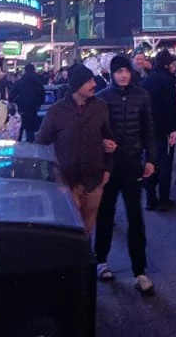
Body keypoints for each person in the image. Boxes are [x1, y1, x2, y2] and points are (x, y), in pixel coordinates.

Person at [95, 55, 157, 293]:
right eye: (118, 71)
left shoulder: (142, 96)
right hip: (109, 166)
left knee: (136, 218)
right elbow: (96, 131)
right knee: (105, 214)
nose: (123, 75)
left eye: (126, 71)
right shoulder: (102, 98)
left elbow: (149, 129)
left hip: (133, 164)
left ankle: (140, 271)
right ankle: (101, 260)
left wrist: (151, 159)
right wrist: (102, 144)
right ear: (112, 73)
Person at [36, 63, 116, 233]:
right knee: (71, 229)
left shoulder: (100, 107)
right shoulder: (57, 111)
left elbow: (109, 137)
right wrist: (51, 176)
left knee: (88, 228)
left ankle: (84, 258)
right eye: (88, 81)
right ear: (76, 85)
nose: (94, 84)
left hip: (94, 179)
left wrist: (107, 169)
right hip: (67, 181)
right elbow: (41, 144)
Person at [141, 50, 176, 211]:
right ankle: (164, 199)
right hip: (164, 129)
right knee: (165, 165)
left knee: (150, 163)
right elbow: (171, 107)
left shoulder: (147, 81)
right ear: (166, 64)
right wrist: (174, 129)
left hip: (148, 129)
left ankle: (150, 199)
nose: (174, 66)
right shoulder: (168, 81)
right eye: (172, 63)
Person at [10, 63, 46, 143]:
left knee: (19, 129)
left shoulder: (21, 80)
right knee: (30, 132)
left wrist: (12, 103)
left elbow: (12, 94)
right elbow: (42, 94)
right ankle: (30, 149)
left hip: (21, 109)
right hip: (32, 109)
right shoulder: (37, 81)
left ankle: (17, 147)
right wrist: (39, 104)